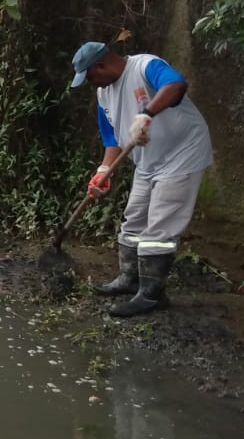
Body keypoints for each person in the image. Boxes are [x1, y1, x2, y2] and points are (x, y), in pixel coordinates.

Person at [70, 42, 213, 317]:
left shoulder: (145, 66)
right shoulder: (103, 93)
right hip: (148, 162)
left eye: (90, 77)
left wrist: (146, 114)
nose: (91, 84)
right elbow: (112, 136)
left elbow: (176, 85)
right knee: (134, 218)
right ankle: (129, 279)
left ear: (100, 66)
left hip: (181, 154)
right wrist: (104, 170)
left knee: (159, 228)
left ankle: (152, 296)